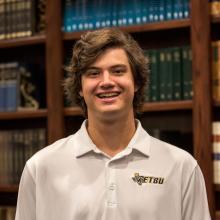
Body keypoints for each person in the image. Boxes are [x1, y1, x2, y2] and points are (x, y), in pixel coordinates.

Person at [15, 28, 211, 220]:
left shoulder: (182, 167)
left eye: (117, 71)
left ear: (137, 83)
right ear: (80, 88)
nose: (106, 81)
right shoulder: (40, 168)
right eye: (93, 73)